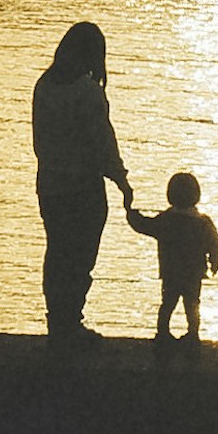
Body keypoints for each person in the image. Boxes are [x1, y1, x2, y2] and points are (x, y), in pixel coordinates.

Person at [29, 19, 137, 340]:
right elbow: (102, 143)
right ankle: (71, 322)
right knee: (80, 257)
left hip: (50, 185)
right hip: (83, 191)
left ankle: (57, 322)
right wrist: (122, 182)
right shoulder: (87, 94)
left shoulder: (44, 86)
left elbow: (40, 143)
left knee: (57, 252)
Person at [130, 171, 218, 346]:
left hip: (171, 271)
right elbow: (215, 243)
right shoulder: (203, 222)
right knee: (192, 305)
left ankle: (163, 333)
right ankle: (193, 335)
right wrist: (215, 262)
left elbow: (144, 225)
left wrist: (131, 213)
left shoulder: (167, 220)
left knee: (167, 304)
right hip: (194, 273)